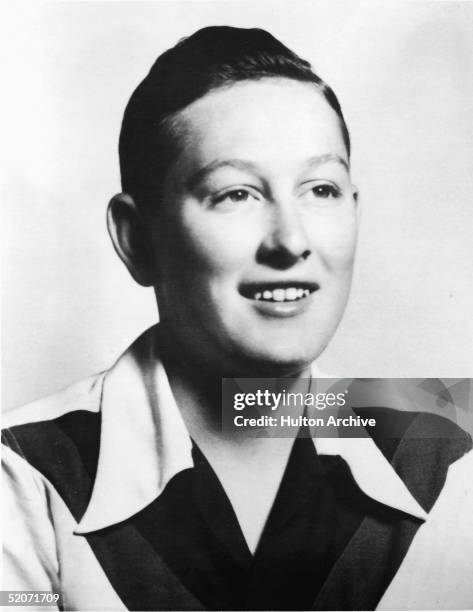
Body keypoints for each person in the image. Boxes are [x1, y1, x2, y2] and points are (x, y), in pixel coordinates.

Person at [2, 26, 472, 611]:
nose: (291, 240)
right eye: (236, 194)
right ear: (137, 239)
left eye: (321, 189)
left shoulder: (450, 449)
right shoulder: (25, 471)